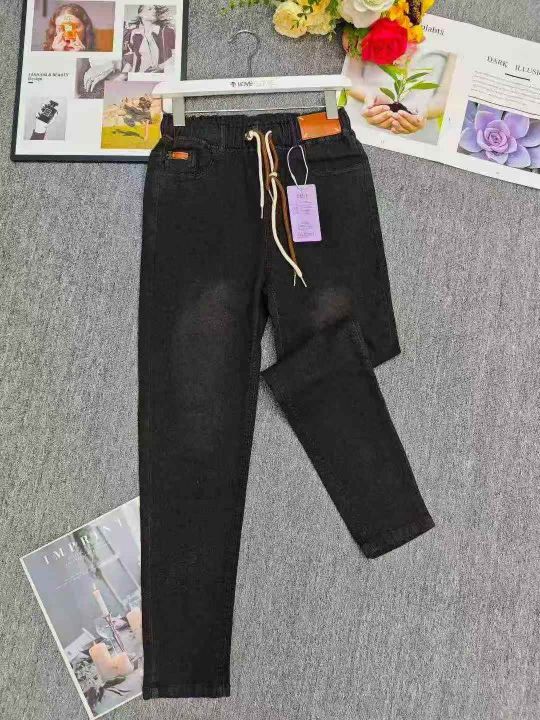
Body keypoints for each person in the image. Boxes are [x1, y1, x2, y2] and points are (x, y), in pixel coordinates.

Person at [347, 50, 456, 137]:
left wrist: (424, 111)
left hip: (420, 133)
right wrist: (370, 97)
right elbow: (350, 78)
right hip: (361, 121)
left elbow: (444, 95)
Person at [122, 5, 175, 74]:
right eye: (150, 9)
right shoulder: (136, 35)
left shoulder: (167, 32)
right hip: (141, 75)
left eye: (155, 9)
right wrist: (131, 74)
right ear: (140, 14)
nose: (154, 11)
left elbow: (177, 56)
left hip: (160, 76)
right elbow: (135, 58)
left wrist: (161, 67)